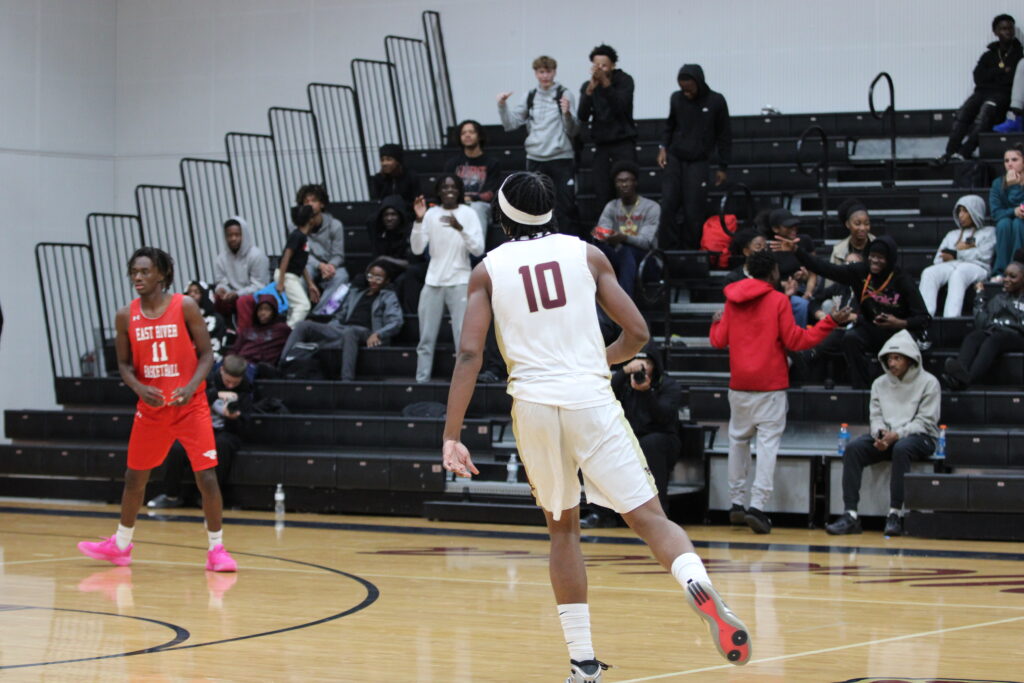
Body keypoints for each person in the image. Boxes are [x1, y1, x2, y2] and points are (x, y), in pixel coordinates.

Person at [441, 172, 751, 681]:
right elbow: (638, 333)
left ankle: (583, 663)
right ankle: (697, 584)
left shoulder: (488, 270)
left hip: (534, 406)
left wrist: (452, 434)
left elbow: (470, 354)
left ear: (502, 216)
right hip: (589, 398)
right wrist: (596, 361)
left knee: (563, 530)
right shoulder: (587, 254)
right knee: (650, 518)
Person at [77, 247, 237, 572]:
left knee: (206, 476)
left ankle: (217, 550)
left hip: (190, 406)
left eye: (144, 271)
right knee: (134, 477)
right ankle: (121, 545)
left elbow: (207, 355)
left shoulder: (184, 305)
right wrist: (139, 388)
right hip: (151, 410)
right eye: (134, 272)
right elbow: (124, 365)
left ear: (161, 274)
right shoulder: (125, 315)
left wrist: (190, 388)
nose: (137, 277)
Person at [710, 250, 851, 534]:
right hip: (770, 385)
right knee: (767, 446)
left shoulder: (732, 300)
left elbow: (718, 340)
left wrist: (715, 322)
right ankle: (757, 507)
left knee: (737, 442)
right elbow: (797, 341)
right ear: (773, 272)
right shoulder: (778, 300)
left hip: (739, 384)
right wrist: (830, 322)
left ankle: (736, 502)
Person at [773, 234, 930, 389]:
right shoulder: (861, 271)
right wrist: (797, 251)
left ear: (890, 259)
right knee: (851, 337)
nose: (875, 260)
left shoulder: (902, 280)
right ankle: (861, 389)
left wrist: (899, 323)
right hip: (872, 327)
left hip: (898, 331)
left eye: (880, 257)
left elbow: (924, 318)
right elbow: (825, 269)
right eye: (872, 256)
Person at [825, 331, 939, 537]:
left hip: (922, 437)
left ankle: (895, 514)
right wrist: (880, 434)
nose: (892, 363)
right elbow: (876, 416)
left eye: (897, 358)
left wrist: (897, 434)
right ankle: (850, 515)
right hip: (888, 436)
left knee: (902, 448)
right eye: (889, 359)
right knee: (853, 449)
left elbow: (925, 421)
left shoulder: (929, 382)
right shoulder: (879, 383)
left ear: (910, 359)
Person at [147, 354, 256, 509]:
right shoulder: (207, 380)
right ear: (221, 370)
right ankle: (171, 495)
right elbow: (192, 400)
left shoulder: (246, 390)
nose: (231, 386)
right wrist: (216, 394)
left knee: (221, 445)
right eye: (228, 381)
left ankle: (208, 498)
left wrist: (234, 418)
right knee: (177, 448)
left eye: (235, 383)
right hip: (197, 428)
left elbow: (245, 426)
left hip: (226, 432)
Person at [411, 175, 485, 383]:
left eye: (453, 187)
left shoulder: (468, 213)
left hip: (460, 280)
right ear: (439, 191)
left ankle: (462, 382)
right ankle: (422, 380)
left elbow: (478, 249)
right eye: (444, 187)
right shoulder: (431, 214)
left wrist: (460, 228)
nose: (449, 191)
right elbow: (417, 249)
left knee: (462, 338)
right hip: (433, 281)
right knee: (425, 338)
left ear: (459, 190)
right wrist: (419, 220)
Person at [497, 56, 581, 236]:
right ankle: (538, 239)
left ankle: (566, 241)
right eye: (541, 72)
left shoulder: (565, 94)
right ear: (535, 73)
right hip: (536, 157)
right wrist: (502, 105)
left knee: (565, 205)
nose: (545, 76)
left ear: (555, 72)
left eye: (548, 71)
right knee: (535, 203)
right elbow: (511, 124)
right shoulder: (530, 96)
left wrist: (567, 114)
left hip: (561, 157)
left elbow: (574, 130)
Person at [278, 263, 403, 381]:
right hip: (343, 328)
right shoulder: (356, 293)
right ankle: (281, 365)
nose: (373, 280)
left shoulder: (388, 297)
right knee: (304, 325)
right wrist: (327, 329)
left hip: (367, 332)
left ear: (386, 281)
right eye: (371, 276)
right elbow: (341, 315)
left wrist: (379, 334)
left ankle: (346, 380)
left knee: (350, 332)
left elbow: (396, 321)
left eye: (378, 278)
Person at [657, 64, 731, 249]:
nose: (686, 93)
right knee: (668, 204)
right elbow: (669, 125)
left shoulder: (716, 100)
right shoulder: (676, 98)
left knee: (693, 209)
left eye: (689, 89)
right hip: (675, 157)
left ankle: (691, 251)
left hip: (699, 160)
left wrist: (723, 166)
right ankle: (669, 250)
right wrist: (663, 147)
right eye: (683, 89)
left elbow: (724, 135)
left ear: (699, 83)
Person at [936, 14, 1022, 165]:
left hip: (1002, 95)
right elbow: (978, 76)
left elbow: (1010, 80)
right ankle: (950, 152)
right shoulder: (988, 55)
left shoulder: (1019, 55)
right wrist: (1001, 71)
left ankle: (964, 152)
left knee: (986, 113)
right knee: (963, 112)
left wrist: (993, 75)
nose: (1008, 32)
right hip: (982, 92)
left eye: (1010, 28)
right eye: (1003, 29)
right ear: (995, 32)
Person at [944, 261, 1024, 389]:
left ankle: (968, 378)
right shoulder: (999, 299)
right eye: (1005, 275)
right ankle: (959, 374)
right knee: (974, 336)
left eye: (1012, 276)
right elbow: (982, 324)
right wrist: (979, 295)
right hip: (996, 332)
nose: (1006, 279)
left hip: (1017, 336)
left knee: (994, 339)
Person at [577, 44, 637, 210]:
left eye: (604, 65)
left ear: (613, 65)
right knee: (602, 191)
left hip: (623, 143)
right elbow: (582, 116)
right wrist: (588, 93)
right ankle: (605, 225)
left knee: (626, 191)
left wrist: (605, 83)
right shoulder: (588, 85)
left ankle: (629, 226)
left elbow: (621, 107)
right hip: (601, 145)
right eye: (596, 65)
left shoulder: (625, 80)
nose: (600, 69)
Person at [919, 195, 996, 317]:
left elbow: (984, 255)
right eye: (959, 211)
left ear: (975, 211)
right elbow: (938, 258)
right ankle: (924, 317)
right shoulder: (952, 234)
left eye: (965, 211)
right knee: (929, 272)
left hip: (978, 267)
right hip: (951, 265)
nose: (960, 215)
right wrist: (965, 252)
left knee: (959, 273)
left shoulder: (989, 232)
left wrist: (956, 254)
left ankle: (951, 318)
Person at [592, 161, 659, 299]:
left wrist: (623, 238)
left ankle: (624, 303)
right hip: (618, 256)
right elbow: (601, 231)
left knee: (627, 252)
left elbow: (646, 242)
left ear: (635, 182)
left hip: (646, 260)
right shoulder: (611, 206)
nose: (624, 185)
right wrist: (602, 235)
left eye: (627, 180)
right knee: (597, 250)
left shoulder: (651, 207)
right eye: (619, 181)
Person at [444, 119, 503, 236]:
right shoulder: (452, 164)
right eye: (463, 133)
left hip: (482, 206)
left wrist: (470, 198)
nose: (467, 135)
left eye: (471, 132)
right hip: (458, 204)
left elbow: (490, 193)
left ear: (479, 136)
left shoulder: (492, 163)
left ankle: (477, 247)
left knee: (477, 208)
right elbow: (445, 188)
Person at [369, 194, 425, 313]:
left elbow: (410, 263)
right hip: (385, 271)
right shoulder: (380, 233)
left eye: (393, 214)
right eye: (386, 215)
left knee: (402, 280)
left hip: (405, 271)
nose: (389, 218)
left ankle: (402, 316)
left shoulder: (410, 231)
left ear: (400, 215)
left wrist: (385, 259)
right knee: (362, 279)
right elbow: (376, 259)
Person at [212, 216, 268, 327]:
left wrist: (238, 294)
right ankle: (223, 332)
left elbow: (260, 286)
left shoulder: (257, 256)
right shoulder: (221, 258)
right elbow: (221, 281)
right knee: (216, 298)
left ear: (244, 235)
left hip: (254, 296)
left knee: (243, 301)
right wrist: (222, 289)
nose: (233, 238)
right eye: (229, 235)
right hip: (232, 295)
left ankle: (245, 335)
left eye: (237, 235)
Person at [766, 208, 817, 328]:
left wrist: (808, 292)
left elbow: (814, 272)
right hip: (781, 292)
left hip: (806, 289)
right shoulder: (771, 248)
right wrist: (785, 285)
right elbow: (770, 280)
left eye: (794, 225)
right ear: (776, 229)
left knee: (805, 303)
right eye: (788, 226)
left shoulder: (804, 241)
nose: (793, 229)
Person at [296, 184, 348, 299]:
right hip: (309, 264)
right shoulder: (296, 226)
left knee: (342, 276)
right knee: (301, 274)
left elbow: (338, 255)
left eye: (314, 201)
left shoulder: (335, 225)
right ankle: (300, 308)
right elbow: (301, 254)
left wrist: (330, 266)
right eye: (306, 201)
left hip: (330, 265)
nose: (310, 204)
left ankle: (321, 310)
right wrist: (319, 265)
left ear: (322, 204)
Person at [276, 204, 320, 327]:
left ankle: (288, 330)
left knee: (294, 308)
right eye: (314, 216)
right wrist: (281, 282)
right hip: (287, 275)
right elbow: (286, 257)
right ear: (310, 220)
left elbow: (301, 263)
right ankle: (288, 332)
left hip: (293, 276)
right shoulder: (296, 236)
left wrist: (310, 284)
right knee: (303, 305)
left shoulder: (303, 237)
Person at [989, 145, 1024, 280]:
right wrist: (1013, 211)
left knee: (1018, 223)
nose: (1009, 164)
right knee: (1003, 224)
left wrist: (1014, 186)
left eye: (1014, 160)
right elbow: (996, 214)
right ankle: (1000, 271)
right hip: (1007, 223)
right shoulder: (997, 183)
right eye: (1006, 160)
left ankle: (1018, 269)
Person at [231, 293, 291, 365]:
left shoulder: (282, 329)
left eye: (267, 309)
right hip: (238, 363)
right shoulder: (249, 329)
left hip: (259, 366)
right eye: (260, 309)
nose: (263, 313)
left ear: (274, 311)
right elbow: (235, 349)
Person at [186, 280, 228, 361]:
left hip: (212, 360)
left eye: (196, 292)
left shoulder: (216, 319)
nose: (192, 295)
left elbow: (216, 347)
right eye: (189, 292)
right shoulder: (183, 319)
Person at [370, 143, 420, 208]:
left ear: (398, 161)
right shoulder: (378, 179)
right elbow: (376, 202)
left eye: (389, 159)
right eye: (382, 160)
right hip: (385, 212)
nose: (384, 163)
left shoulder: (411, 177)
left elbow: (416, 201)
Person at [829, 199, 875, 268]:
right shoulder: (838, 251)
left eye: (866, 223)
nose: (863, 228)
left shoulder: (878, 245)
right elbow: (832, 273)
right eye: (857, 224)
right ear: (848, 224)